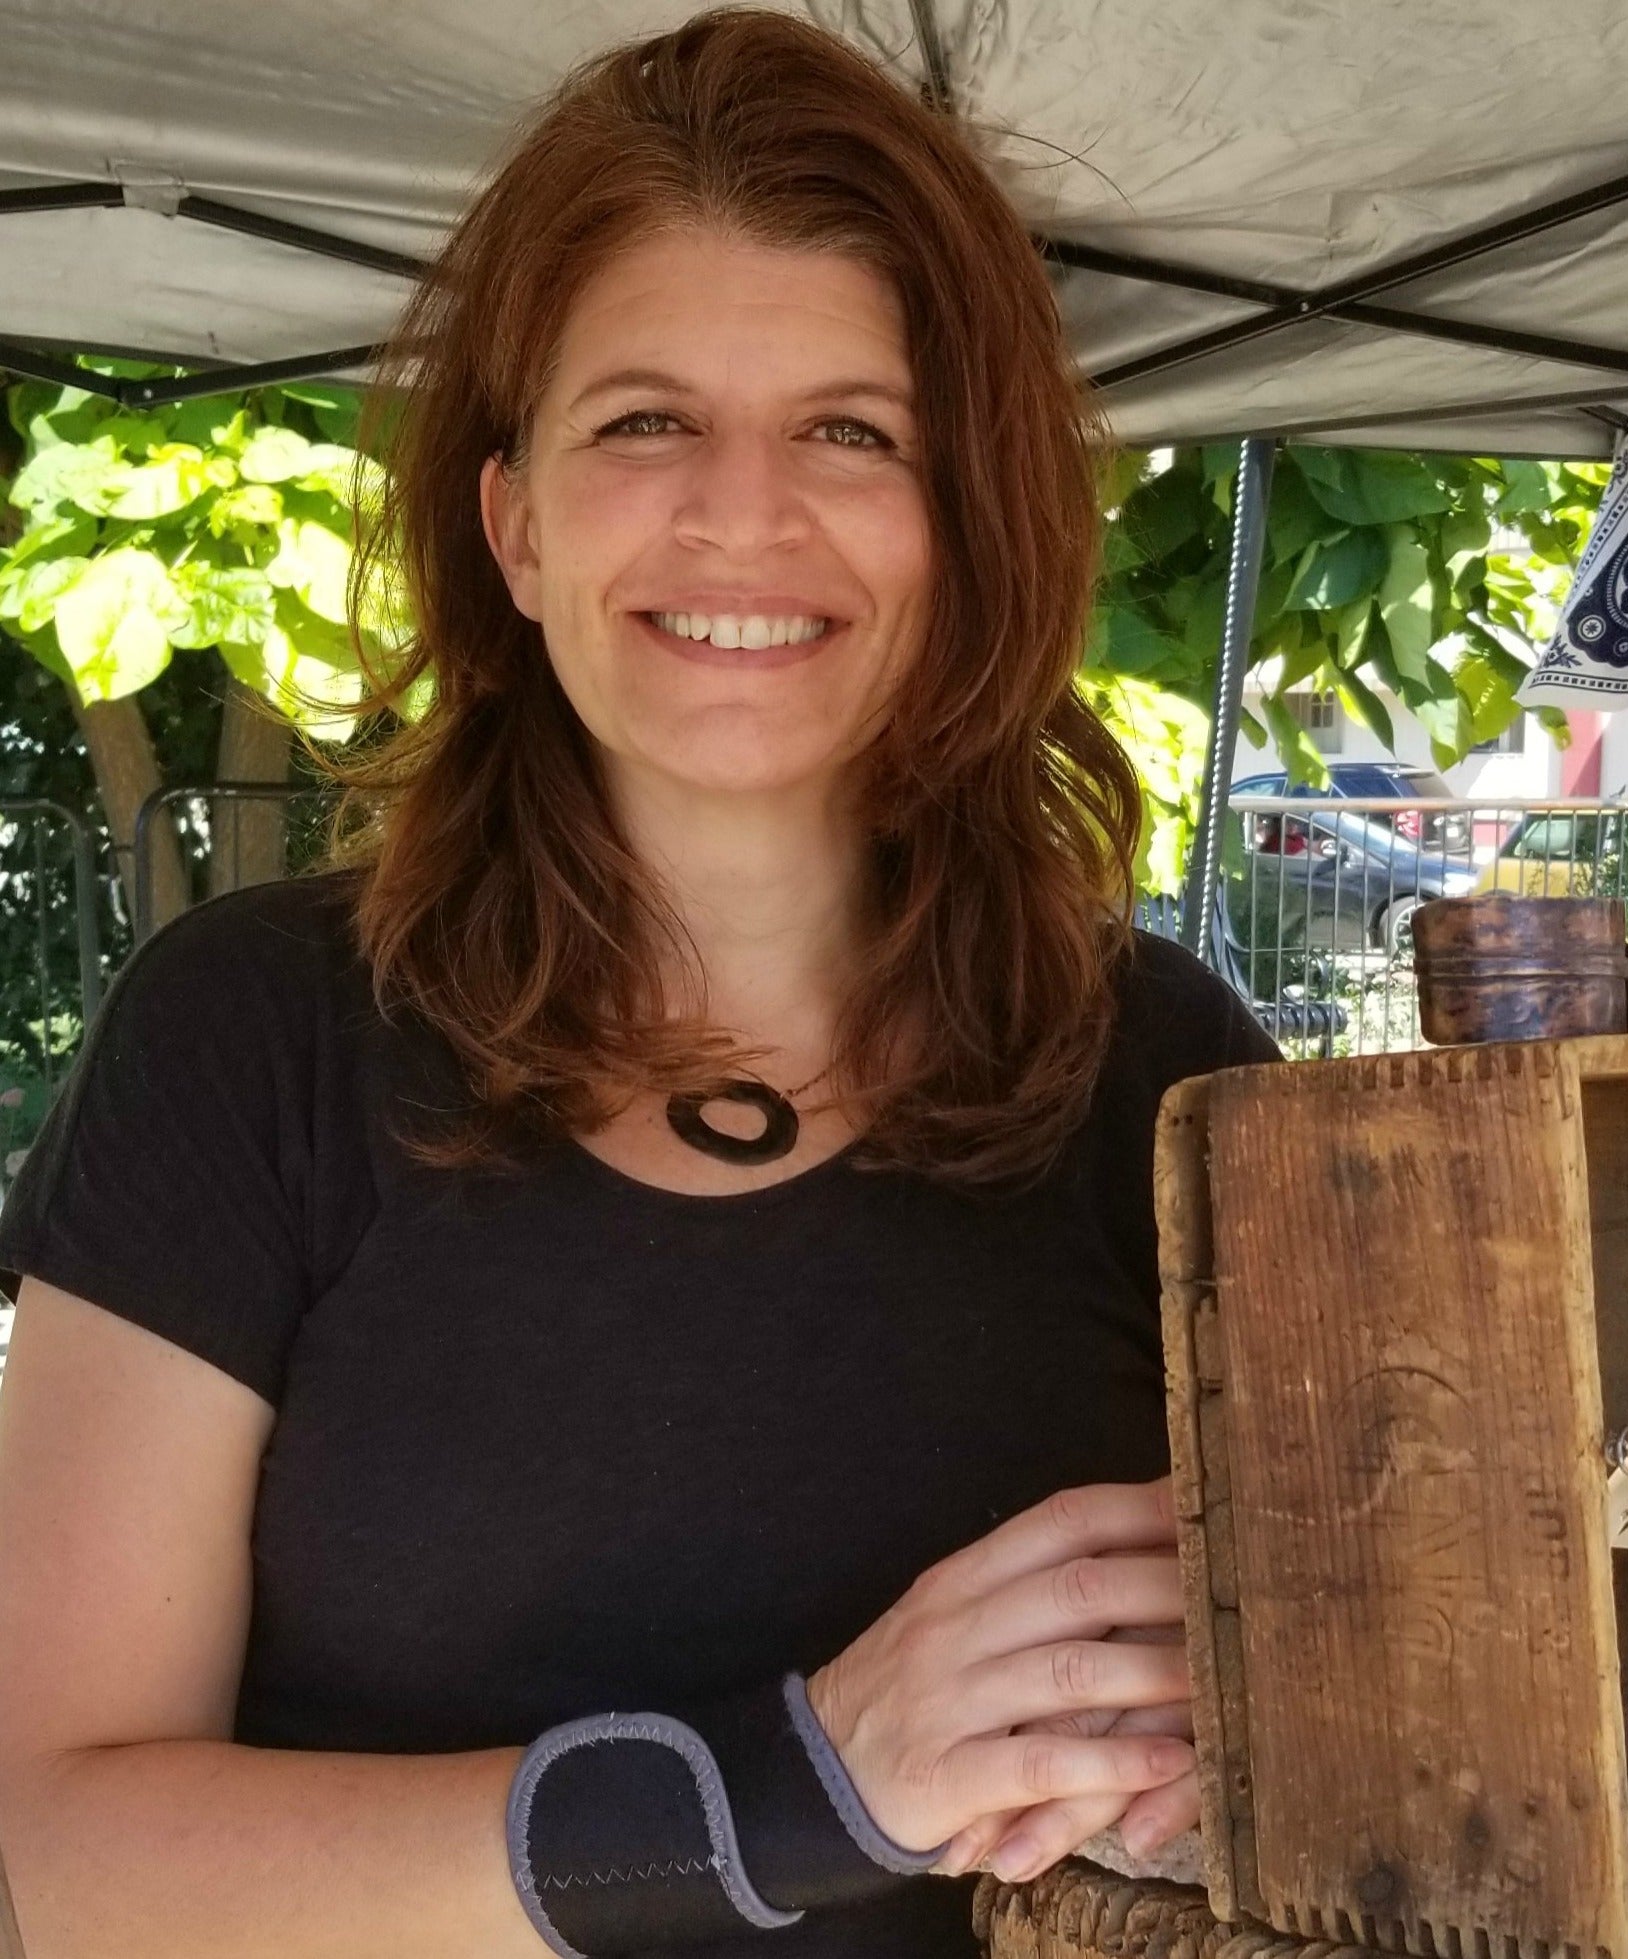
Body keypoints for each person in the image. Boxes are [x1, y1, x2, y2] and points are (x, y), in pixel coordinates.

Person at [0, 13, 1279, 1957]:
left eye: (852, 429)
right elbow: (71, 1859)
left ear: (966, 522)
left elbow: (1356, 1685)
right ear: (513, 521)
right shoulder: (249, 1038)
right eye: (643, 421)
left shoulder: (1161, 1067)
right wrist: (808, 1787)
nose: (739, 515)